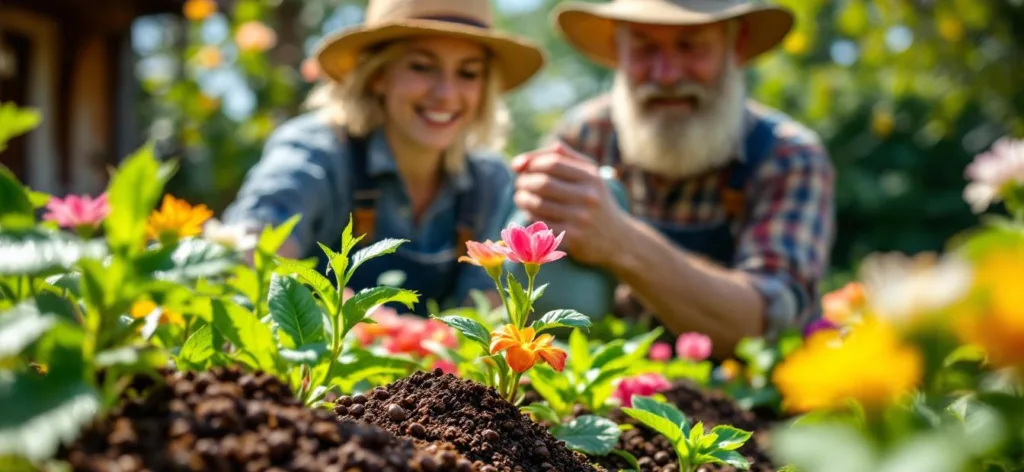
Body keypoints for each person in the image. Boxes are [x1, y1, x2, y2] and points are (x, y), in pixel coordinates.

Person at [508, 0, 835, 357]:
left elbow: (767, 324)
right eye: (644, 48)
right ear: (618, 51)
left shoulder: (786, 156)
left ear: (735, 45)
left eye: (690, 45)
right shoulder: (584, 138)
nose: (665, 74)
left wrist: (620, 240)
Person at [221, 0, 545, 315]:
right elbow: (254, 260)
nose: (446, 93)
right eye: (421, 66)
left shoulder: (490, 182)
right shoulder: (318, 153)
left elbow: (484, 316)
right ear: (378, 75)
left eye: (468, 73)